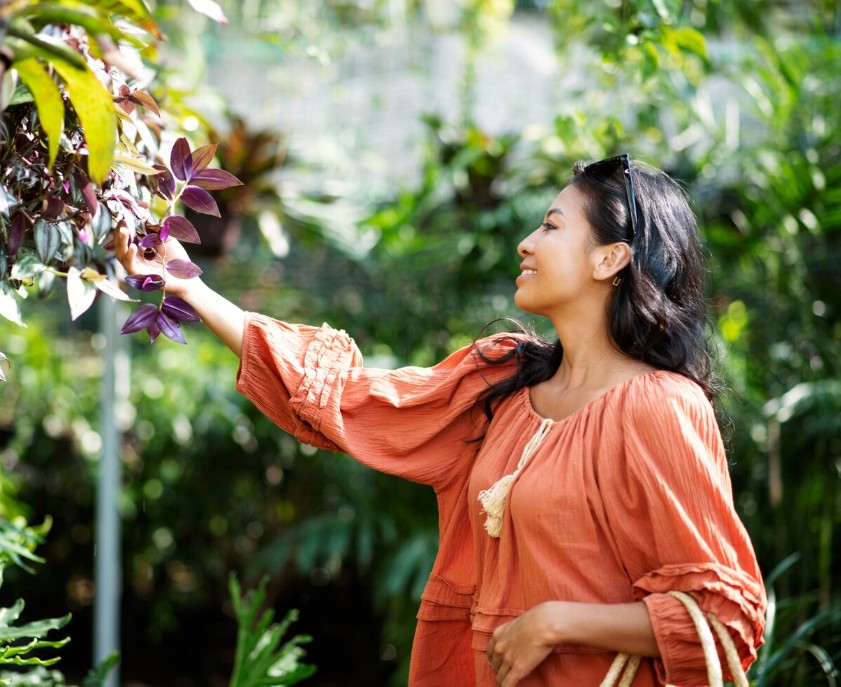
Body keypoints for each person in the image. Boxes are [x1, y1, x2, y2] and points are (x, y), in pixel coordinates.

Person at [115, 154, 766, 686]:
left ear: (609, 259)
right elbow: (347, 398)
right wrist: (187, 285)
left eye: (550, 226)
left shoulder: (659, 407)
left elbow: (725, 617)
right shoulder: (499, 382)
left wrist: (557, 621)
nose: (526, 242)